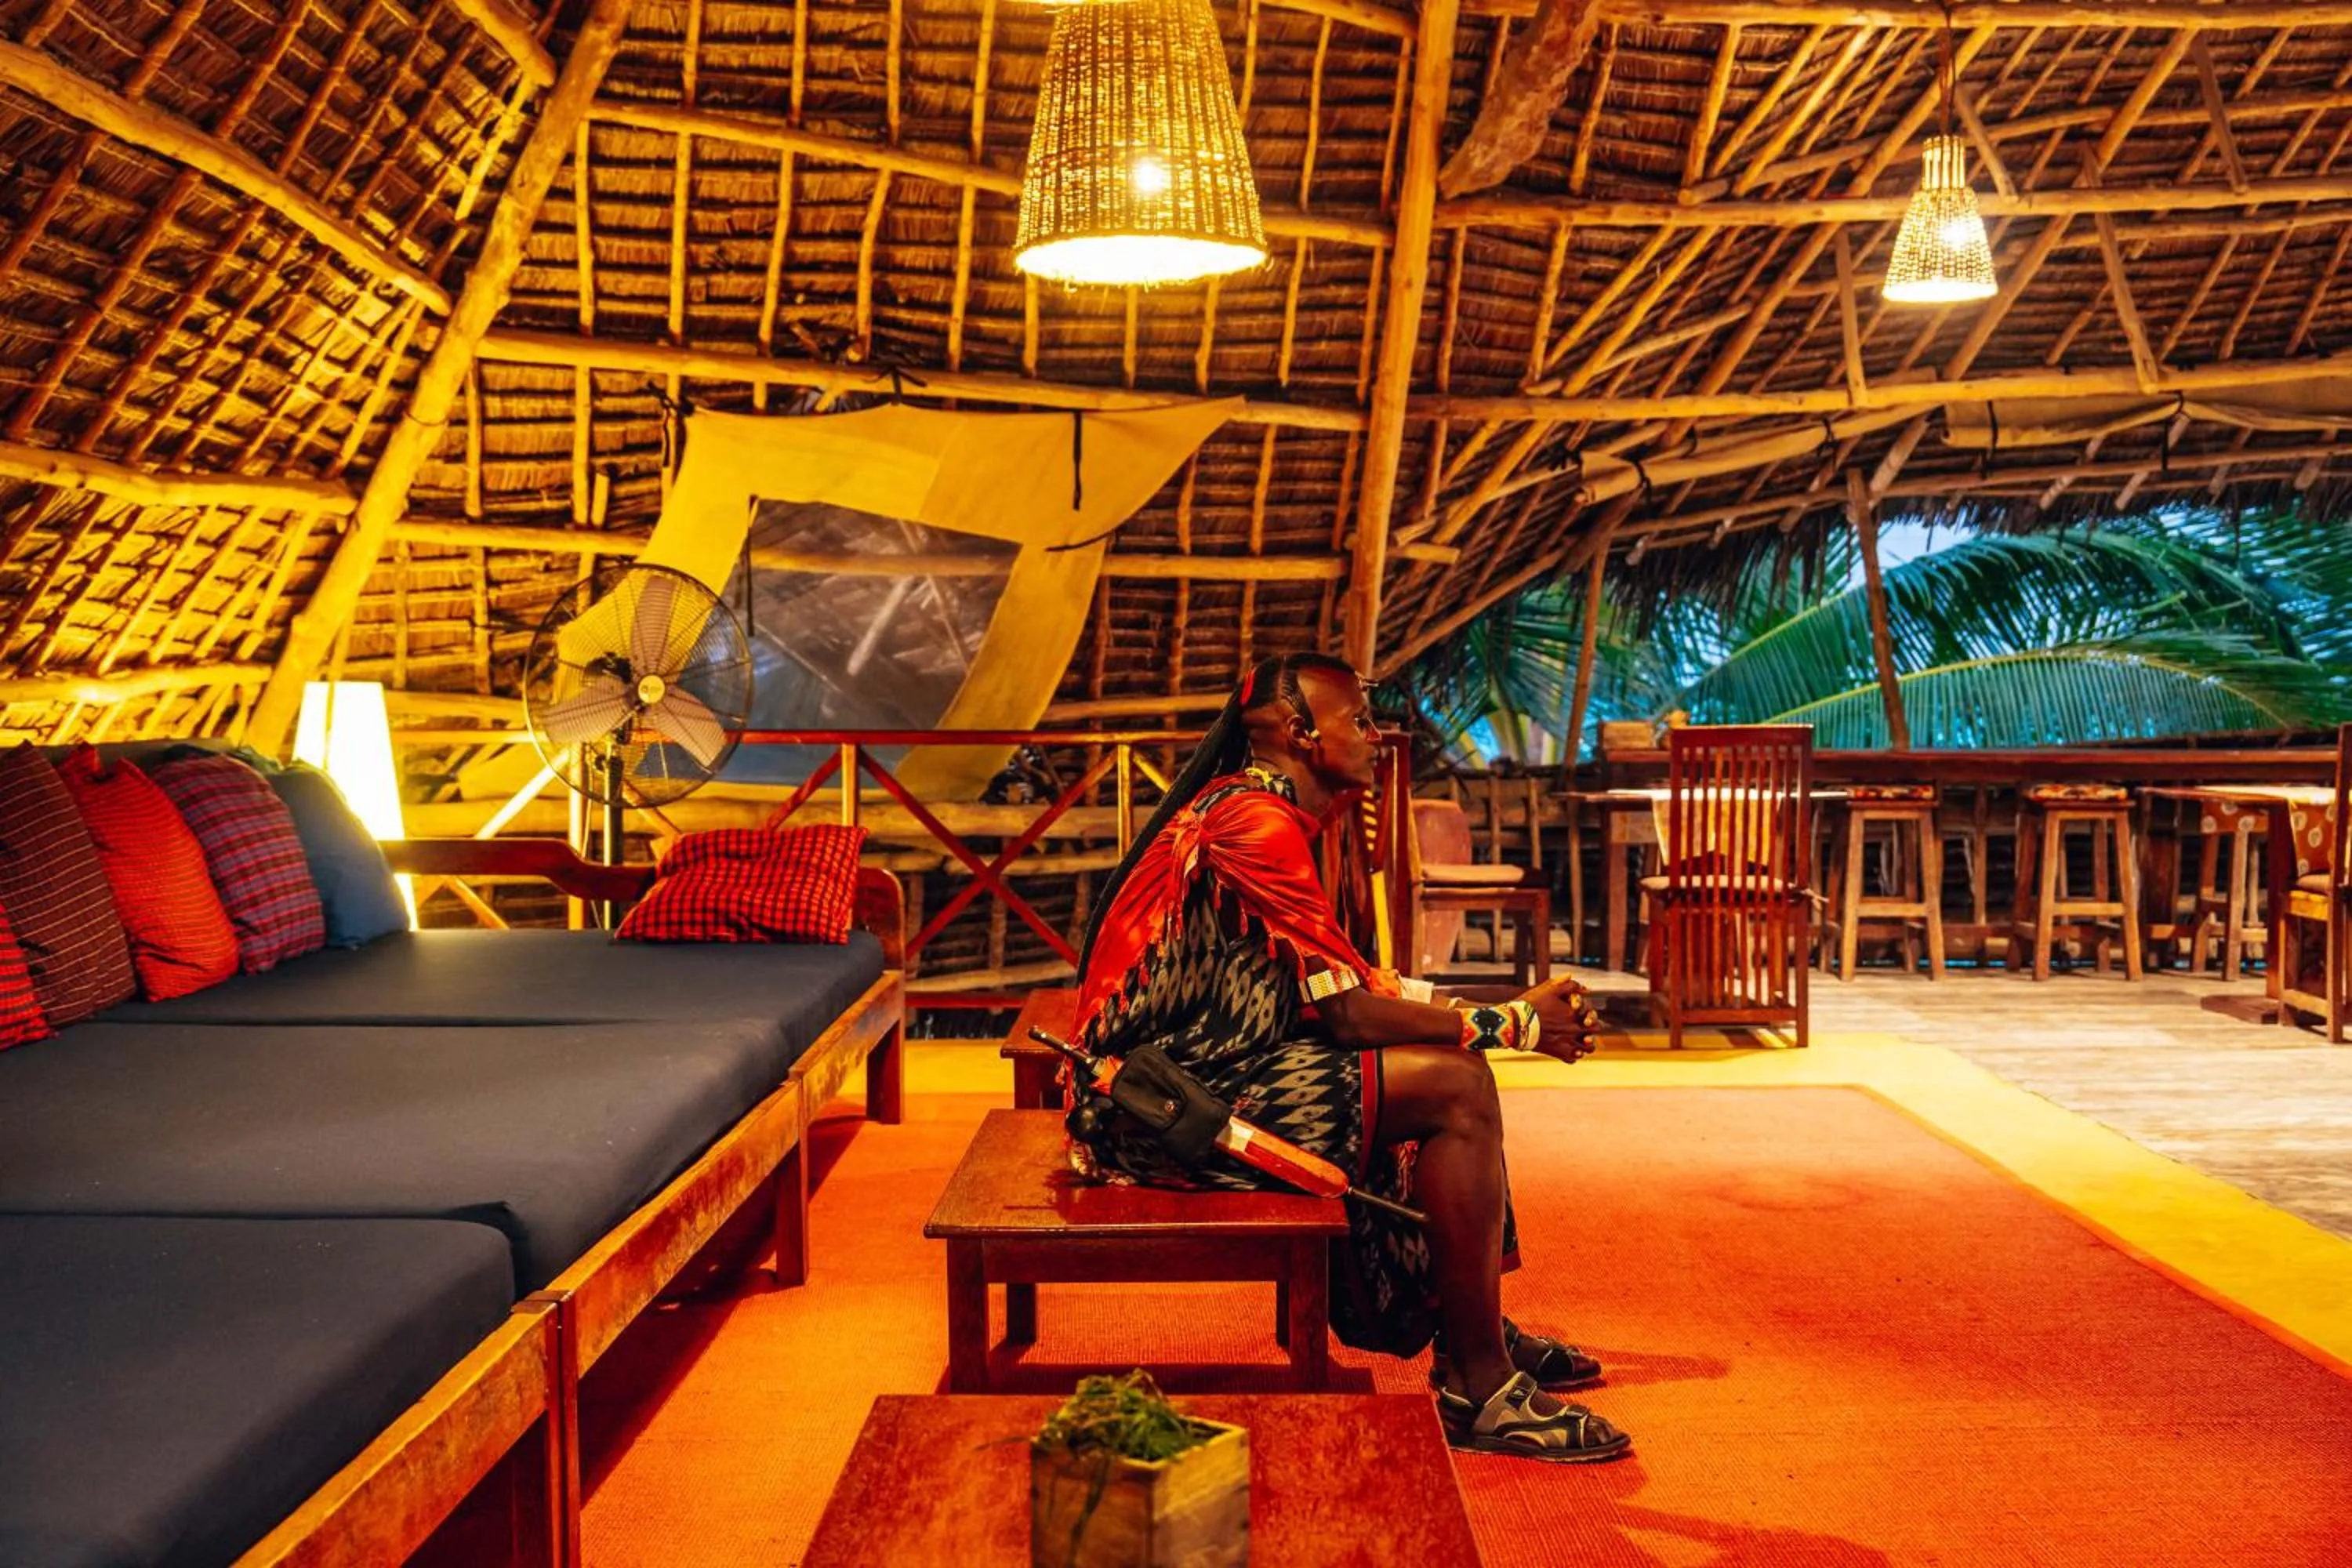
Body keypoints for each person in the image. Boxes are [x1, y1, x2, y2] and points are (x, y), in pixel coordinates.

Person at [1070, 650, 1632, 1463]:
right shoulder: (1252, 822)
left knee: (1442, 1072)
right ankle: (1479, 1379)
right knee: (1456, 1086)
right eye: (1358, 721)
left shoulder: (1291, 815)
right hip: (1156, 1106)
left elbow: (1358, 983)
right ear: (1301, 733)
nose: (1376, 735)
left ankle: (1468, 1324)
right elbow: (1349, 1014)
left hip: (1211, 1068)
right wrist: (1516, 1023)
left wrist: (1485, 1014)